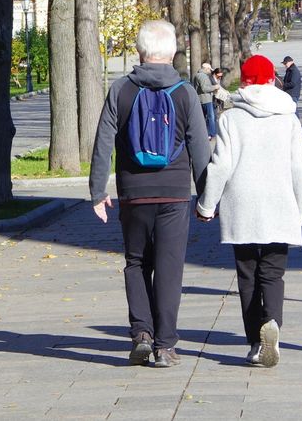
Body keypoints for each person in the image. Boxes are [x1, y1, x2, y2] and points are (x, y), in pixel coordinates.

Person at [89, 20, 211, 368]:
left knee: (136, 262)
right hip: (174, 193)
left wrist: (98, 191)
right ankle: (165, 345)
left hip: (134, 193)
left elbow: (103, 141)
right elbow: (199, 148)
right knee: (170, 268)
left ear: (140, 51)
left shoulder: (121, 89)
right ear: (172, 52)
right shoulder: (185, 92)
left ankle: (141, 334)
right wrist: (206, 198)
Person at [195, 55, 302, 368]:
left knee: (247, 276)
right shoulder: (289, 119)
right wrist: (300, 210)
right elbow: (300, 169)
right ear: (273, 80)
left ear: (244, 82)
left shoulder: (231, 119)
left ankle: (255, 343)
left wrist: (206, 205)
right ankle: (272, 323)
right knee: (272, 273)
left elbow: (220, 167)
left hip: (241, 204)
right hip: (280, 204)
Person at [194, 62, 219, 138]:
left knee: (204, 117)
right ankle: (210, 133)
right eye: (209, 70)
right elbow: (204, 88)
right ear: (206, 69)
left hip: (202, 99)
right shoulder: (203, 76)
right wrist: (215, 87)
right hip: (206, 99)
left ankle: (205, 133)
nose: (210, 71)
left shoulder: (198, 75)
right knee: (210, 117)